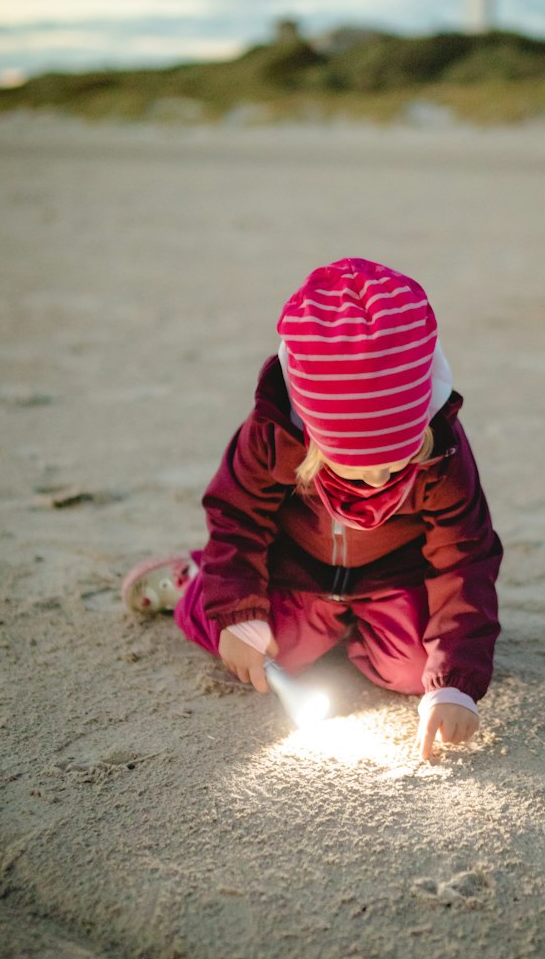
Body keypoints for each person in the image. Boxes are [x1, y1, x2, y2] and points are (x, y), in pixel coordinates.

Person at [121, 257, 502, 760]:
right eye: (355, 467)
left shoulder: (443, 452)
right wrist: (237, 615)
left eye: (395, 463)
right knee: (269, 650)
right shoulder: (274, 436)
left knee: (414, 671)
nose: (378, 480)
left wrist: (453, 683)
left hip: (389, 579)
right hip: (295, 573)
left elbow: (464, 559)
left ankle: (358, 632)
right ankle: (194, 583)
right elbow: (237, 518)